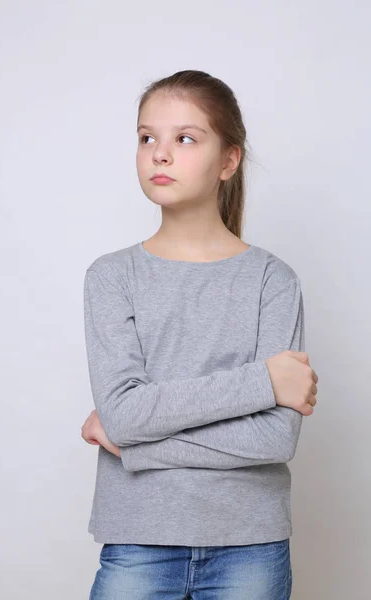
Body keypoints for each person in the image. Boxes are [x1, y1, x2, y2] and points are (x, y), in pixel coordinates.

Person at [81, 69, 318, 600]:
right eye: (148, 138)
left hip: (250, 546)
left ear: (229, 161)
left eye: (185, 138)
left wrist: (133, 446)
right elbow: (124, 413)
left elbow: (275, 438)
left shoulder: (271, 281)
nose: (160, 154)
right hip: (137, 540)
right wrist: (262, 382)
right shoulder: (111, 276)